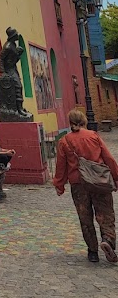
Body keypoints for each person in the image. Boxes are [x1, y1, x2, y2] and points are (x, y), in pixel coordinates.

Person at [53, 108, 118, 263]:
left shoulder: (64, 141)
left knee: (85, 217)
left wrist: (59, 184)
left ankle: (93, 252)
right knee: (105, 214)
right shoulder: (93, 136)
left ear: (70, 123)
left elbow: (61, 166)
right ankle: (108, 240)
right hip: (98, 181)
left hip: (78, 183)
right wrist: (116, 177)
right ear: (84, 121)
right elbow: (108, 158)